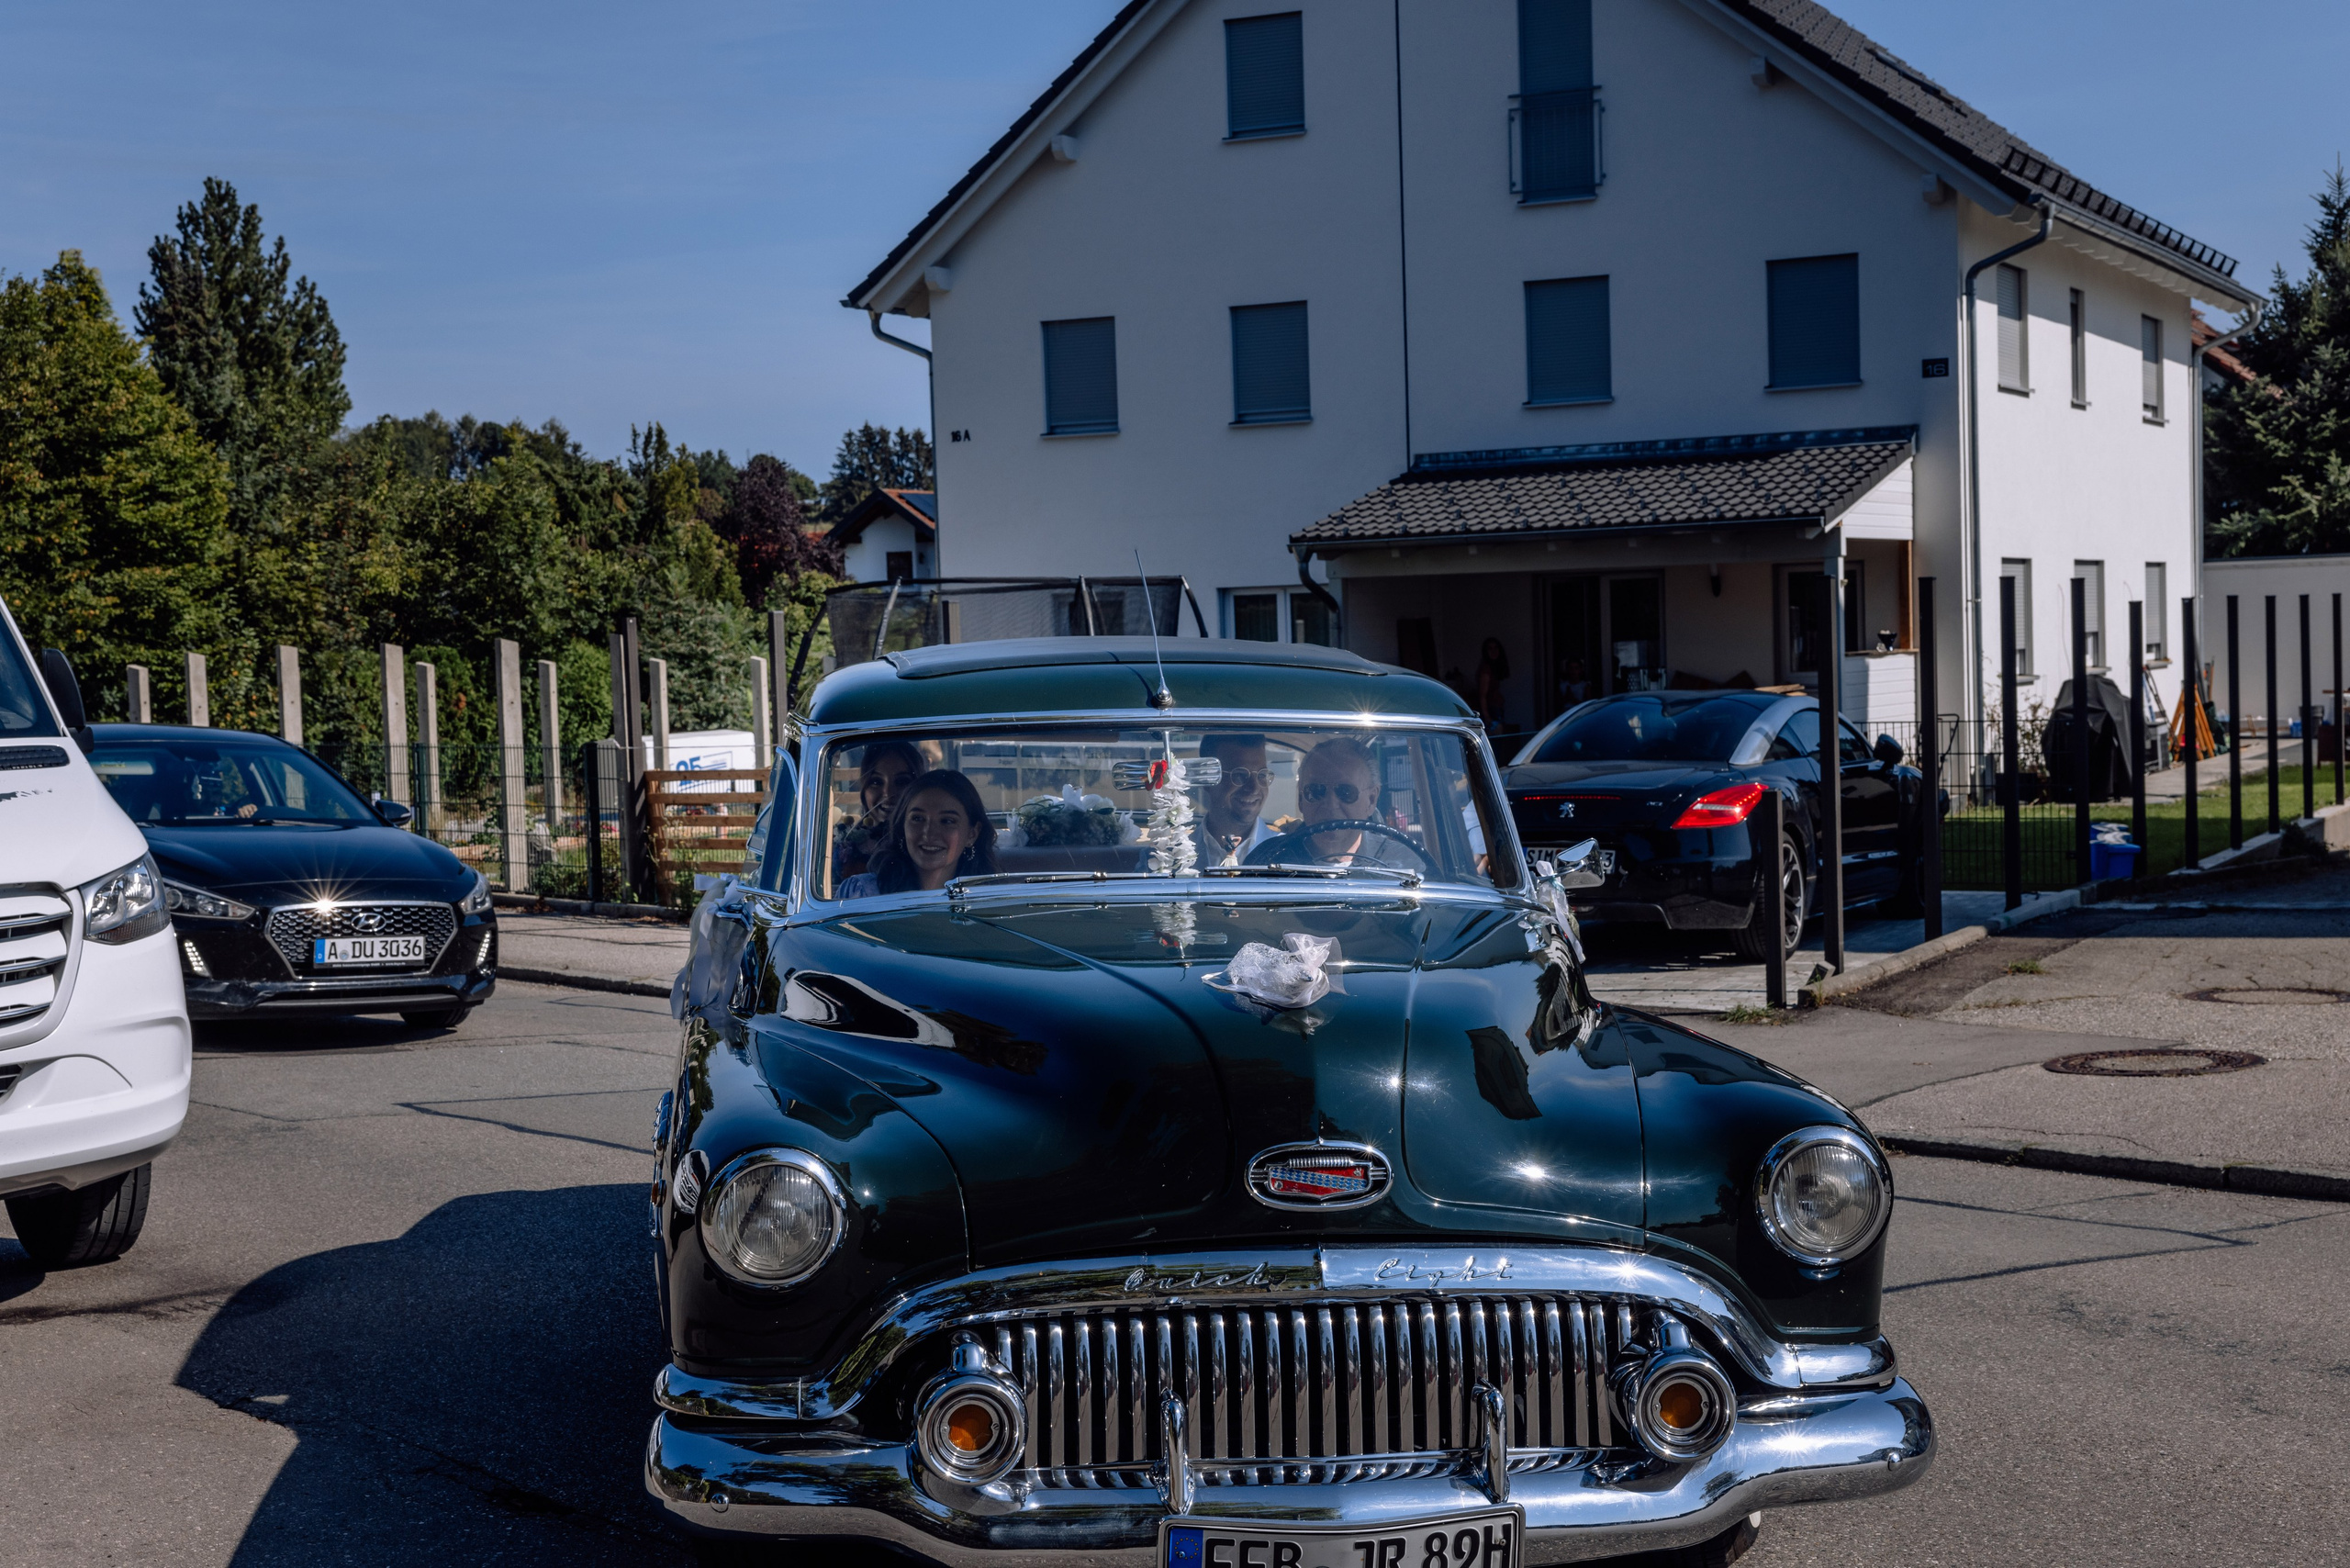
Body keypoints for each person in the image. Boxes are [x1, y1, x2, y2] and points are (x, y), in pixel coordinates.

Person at [1249, 738, 1422, 869]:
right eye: (1315, 791)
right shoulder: (1266, 861)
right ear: (1301, 799)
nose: (1330, 804)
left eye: (1345, 792)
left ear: (1371, 800)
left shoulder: (1403, 864)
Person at [835, 768, 999, 899]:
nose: (929, 834)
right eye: (918, 818)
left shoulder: (989, 903)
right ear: (902, 826)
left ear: (972, 834)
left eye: (947, 821)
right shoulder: (862, 894)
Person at [832, 740, 923, 879]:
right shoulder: (846, 849)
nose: (888, 793)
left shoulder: (930, 845)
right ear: (864, 790)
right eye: (876, 782)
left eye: (902, 782)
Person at [1190, 733, 1277, 867]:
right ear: (1207, 779)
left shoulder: (1286, 852)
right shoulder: (1170, 855)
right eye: (1240, 775)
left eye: (1262, 775)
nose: (1254, 788)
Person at [1475, 638, 1510, 730]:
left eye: (1496, 648)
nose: (1493, 651)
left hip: (1496, 709)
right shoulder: (1485, 670)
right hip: (1491, 711)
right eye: (1490, 648)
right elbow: (1482, 695)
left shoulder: (1494, 668)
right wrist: (1487, 717)